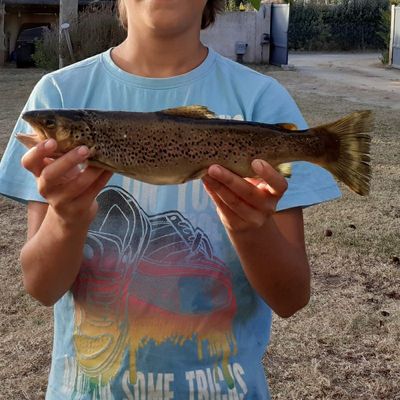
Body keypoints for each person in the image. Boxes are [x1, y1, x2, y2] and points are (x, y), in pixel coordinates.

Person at [0, 0, 341, 398]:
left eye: (52, 126)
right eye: (53, 126)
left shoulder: (262, 97)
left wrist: (251, 228)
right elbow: (41, 288)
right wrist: (65, 219)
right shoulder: (57, 91)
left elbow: (291, 298)